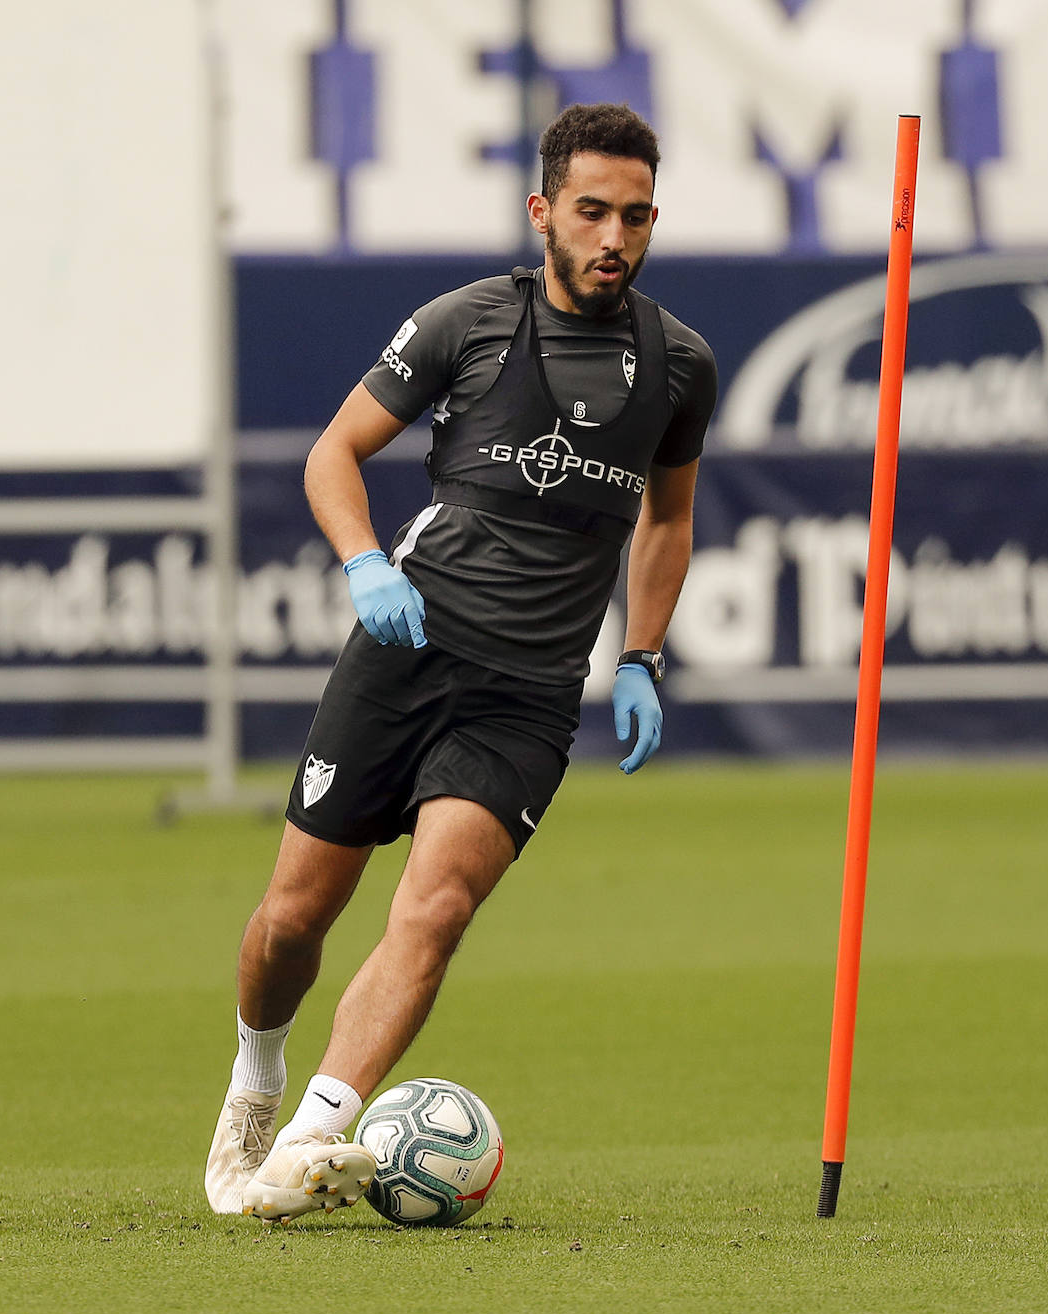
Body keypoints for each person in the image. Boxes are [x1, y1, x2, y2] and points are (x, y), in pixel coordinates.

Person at [204, 102, 718, 1222]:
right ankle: (257, 1078)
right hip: (405, 653)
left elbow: (666, 523)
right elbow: (334, 451)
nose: (612, 236)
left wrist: (641, 656)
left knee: (433, 907)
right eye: (591, 210)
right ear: (544, 211)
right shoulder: (466, 322)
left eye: (634, 215)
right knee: (294, 918)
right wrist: (360, 565)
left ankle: (307, 1142)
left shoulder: (680, 364)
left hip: (528, 695)